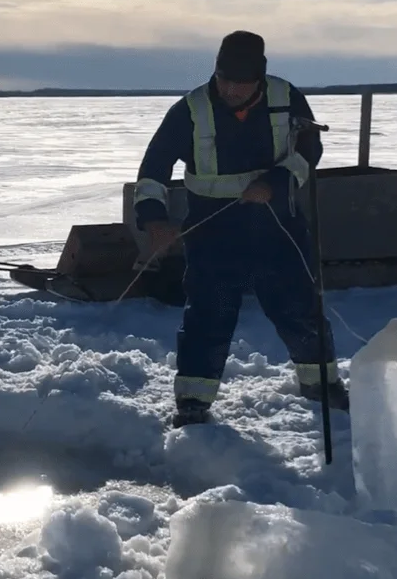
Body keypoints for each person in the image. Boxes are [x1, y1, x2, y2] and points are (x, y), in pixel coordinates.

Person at [133, 30, 350, 427]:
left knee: (299, 307)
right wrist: (154, 219)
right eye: (224, 79)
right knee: (208, 315)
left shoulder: (287, 98)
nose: (231, 89)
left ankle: (321, 384)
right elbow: (153, 170)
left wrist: (278, 183)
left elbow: (310, 151)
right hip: (212, 232)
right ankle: (193, 403)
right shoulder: (191, 109)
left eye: (241, 82)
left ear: (260, 78)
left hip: (277, 226)